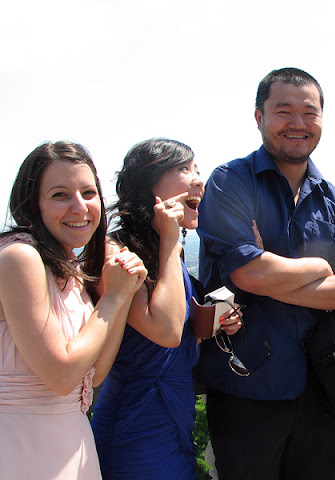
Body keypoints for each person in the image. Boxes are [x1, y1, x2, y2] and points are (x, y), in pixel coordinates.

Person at [195, 67, 335, 480]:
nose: (298, 123)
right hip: (247, 386)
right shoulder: (230, 182)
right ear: (259, 117)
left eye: (309, 113)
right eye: (283, 111)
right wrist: (320, 268)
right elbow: (249, 275)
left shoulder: (333, 199)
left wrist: (268, 272)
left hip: (323, 386)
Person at [90, 138, 242, 479]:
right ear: (149, 184)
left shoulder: (165, 246)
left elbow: (178, 331)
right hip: (135, 422)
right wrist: (170, 241)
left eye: (197, 169)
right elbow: (167, 332)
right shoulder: (116, 251)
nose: (199, 180)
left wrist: (213, 324)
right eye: (184, 169)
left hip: (176, 409)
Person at [0, 141, 146, 479]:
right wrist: (111, 299)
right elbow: (63, 376)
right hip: (23, 448)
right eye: (60, 195)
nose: (80, 207)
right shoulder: (20, 258)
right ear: (31, 203)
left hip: (72, 443)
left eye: (88, 193)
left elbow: (94, 374)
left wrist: (124, 293)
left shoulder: (66, 266)